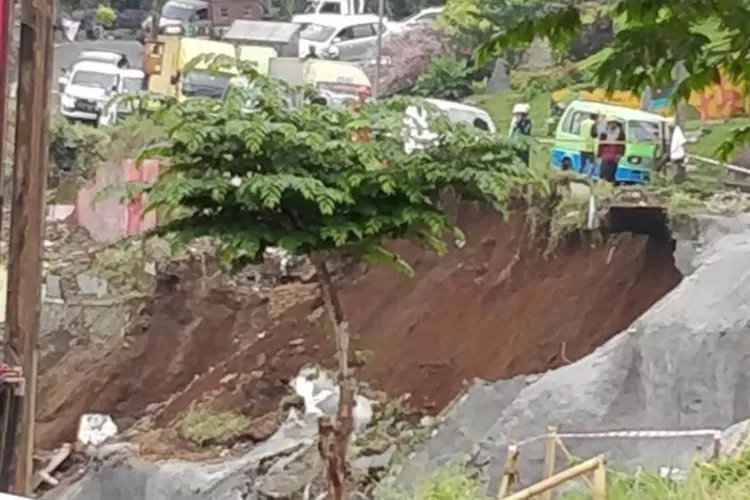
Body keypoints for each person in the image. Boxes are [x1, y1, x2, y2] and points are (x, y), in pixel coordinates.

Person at [597, 116, 626, 183]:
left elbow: (623, 145)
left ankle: (610, 186)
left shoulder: (620, 132)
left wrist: (620, 154)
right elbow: (601, 144)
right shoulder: (604, 132)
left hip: (615, 156)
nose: (612, 124)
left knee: (611, 173)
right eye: (611, 122)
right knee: (603, 172)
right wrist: (599, 155)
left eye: (614, 122)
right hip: (605, 155)